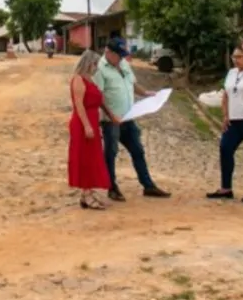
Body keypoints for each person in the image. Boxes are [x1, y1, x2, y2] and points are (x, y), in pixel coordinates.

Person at [93, 37, 171, 201]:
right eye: (118, 55)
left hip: (128, 117)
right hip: (111, 121)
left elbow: (132, 84)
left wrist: (145, 93)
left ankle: (148, 185)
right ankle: (111, 187)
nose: (121, 58)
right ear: (109, 52)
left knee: (138, 150)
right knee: (110, 153)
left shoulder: (123, 63)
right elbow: (98, 97)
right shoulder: (99, 69)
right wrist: (110, 115)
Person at [207, 46, 243, 202]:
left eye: (240, 56)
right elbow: (226, 94)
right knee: (225, 148)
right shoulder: (231, 73)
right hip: (234, 119)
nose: (236, 60)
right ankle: (226, 187)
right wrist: (225, 115)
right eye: (234, 57)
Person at [67, 50, 118, 210]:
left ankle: (87, 192)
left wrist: (111, 115)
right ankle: (86, 194)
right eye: (95, 64)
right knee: (84, 158)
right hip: (83, 124)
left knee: (91, 157)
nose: (97, 67)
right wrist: (87, 125)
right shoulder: (78, 79)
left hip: (93, 121)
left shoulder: (91, 80)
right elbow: (79, 104)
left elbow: (100, 100)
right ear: (89, 63)